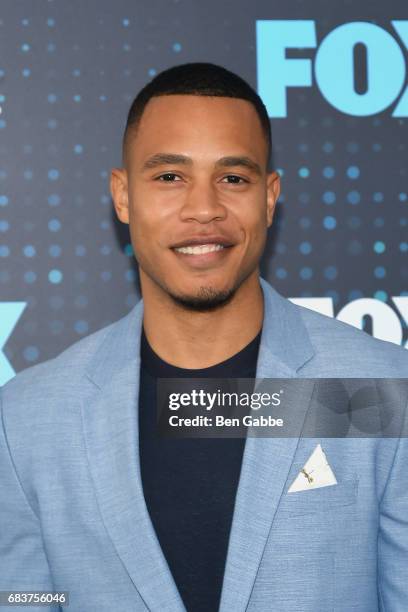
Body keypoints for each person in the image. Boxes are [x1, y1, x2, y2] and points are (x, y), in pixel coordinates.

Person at [0, 63, 407, 612]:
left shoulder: (380, 390)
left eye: (233, 178)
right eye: (170, 176)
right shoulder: (27, 419)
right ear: (122, 196)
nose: (203, 208)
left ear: (269, 196)